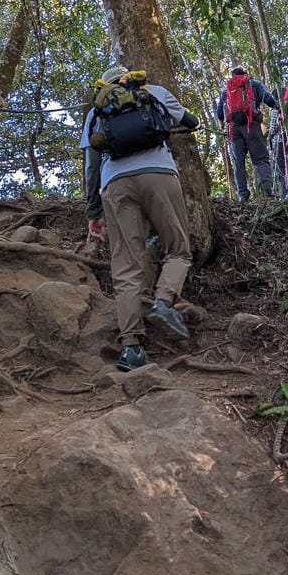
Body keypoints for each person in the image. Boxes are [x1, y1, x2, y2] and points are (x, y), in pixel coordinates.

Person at [81, 65, 199, 371]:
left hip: (116, 184)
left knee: (126, 267)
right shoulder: (154, 93)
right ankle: (163, 300)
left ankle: (131, 348)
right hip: (160, 175)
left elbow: (92, 166)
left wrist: (94, 211)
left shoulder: (97, 111)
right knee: (178, 249)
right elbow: (192, 122)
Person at [215, 66, 278, 202]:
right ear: (246, 74)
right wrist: (277, 106)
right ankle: (266, 190)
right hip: (252, 125)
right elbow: (267, 98)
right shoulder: (253, 84)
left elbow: (219, 113)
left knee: (239, 162)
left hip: (235, 130)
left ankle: (242, 195)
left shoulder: (227, 90)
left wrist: (222, 124)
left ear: (232, 76)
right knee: (261, 159)